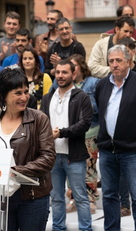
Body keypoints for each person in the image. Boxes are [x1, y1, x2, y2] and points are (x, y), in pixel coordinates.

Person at [95, 44, 136, 231]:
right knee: (109, 195)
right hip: (108, 151)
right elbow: (99, 114)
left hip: (133, 151)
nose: (115, 64)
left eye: (119, 60)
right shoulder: (102, 85)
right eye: (111, 61)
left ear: (129, 61)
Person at [0, 67, 56, 231]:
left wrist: (16, 170)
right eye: (17, 93)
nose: (24, 97)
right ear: (3, 96)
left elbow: (48, 157)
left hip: (32, 196)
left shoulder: (39, 119)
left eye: (25, 91)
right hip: (1, 197)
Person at [41, 59, 93, 231]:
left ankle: (85, 229)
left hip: (74, 156)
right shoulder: (48, 98)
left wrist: (61, 132)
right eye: (58, 72)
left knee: (80, 197)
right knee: (56, 197)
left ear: (74, 74)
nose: (61, 76)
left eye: (65, 72)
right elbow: (41, 124)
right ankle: (58, 228)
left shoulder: (82, 97)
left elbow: (84, 124)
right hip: (52, 156)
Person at [62, 54, 100, 214]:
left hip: (90, 131)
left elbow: (99, 107)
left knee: (89, 166)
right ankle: (74, 198)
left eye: (74, 65)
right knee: (71, 166)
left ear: (81, 66)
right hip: (70, 133)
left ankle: (90, 198)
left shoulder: (93, 83)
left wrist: (82, 104)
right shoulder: (63, 85)